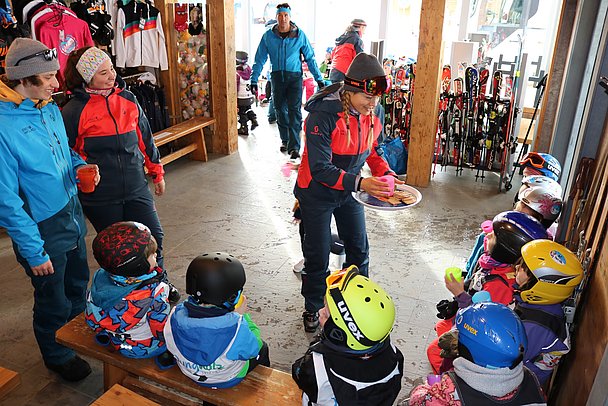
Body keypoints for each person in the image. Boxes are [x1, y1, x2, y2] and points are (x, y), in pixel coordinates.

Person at [0, 38, 99, 381]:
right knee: (52, 300)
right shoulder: (3, 126)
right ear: (23, 79)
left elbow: (66, 152)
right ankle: (57, 355)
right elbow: (6, 201)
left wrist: (80, 166)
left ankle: (74, 338)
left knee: (77, 286)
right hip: (40, 231)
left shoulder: (49, 107)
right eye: (47, 78)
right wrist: (33, 251)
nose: (57, 84)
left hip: (71, 216)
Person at [61, 46, 179, 303]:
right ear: (87, 77)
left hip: (136, 185)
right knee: (118, 250)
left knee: (153, 237)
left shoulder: (128, 98)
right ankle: (125, 297)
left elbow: (145, 139)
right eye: (103, 73)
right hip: (101, 196)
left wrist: (157, 173)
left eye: (111, 69)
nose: (111, 75)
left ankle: (158, 284)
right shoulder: (73, 110)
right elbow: (66, 153)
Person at [294, 53, 397, 332]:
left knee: (359, 247)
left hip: (349, 189)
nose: (373, 104)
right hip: (316, 191)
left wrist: (384, 172)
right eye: (367, 97)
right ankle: (313, 305)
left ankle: (355, 302)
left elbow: (372, 149)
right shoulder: (323, 115)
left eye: (377, 99)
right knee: (318, 252)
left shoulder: (371, 112)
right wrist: (362, 183)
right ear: (349, 90)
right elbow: (320, 168)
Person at [429, 211, 548, 373]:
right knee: (442, 325)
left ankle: (448, 380)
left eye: (492, 236)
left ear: (506, 248)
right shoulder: (494, 265)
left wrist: (459, 294)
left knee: (434, 351)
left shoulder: (500, 285)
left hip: (478, 337)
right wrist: (456, 302)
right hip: (472, 313)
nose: (486, 237)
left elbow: (482, 321)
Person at [292, 266, 404, 405]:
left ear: (339, 334)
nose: (320, 311)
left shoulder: (317, 365)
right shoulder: (394, 356)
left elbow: (298, 374)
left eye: (326, 314)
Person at [159, 252, 270, 388]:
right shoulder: (236, 327)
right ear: (233, 298)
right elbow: (253, 349)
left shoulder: (174, 315)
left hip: (189, 372)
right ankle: (263, 385)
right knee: (263, 347)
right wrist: (242, 317)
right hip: (226, 378)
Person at [410, 302, 547, 405]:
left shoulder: (449, 390)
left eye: (461, 338)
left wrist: (425, 387)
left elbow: (417, 401)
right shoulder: (531, 380)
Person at [250, 3, 325, 159]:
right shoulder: (268, 36)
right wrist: (254, 79)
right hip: (277, 78)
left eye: (286, 15)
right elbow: (259, 59)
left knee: (294, 112)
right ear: (276, 17)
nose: (283, 18)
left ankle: (294, 147)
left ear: (290, 17)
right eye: (280, 15)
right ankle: (285, 140)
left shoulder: (300, 35)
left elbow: (310, 58)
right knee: (279, 110)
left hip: (294, 78)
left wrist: (319, 78)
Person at [86, 221, 171, 358]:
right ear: (137, 265)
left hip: (113, 336)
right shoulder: (156, 291)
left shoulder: (100, 276)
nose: (156, 256)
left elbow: (91, 313)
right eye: (152, 254)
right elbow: (160, 328)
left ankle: (106, 336)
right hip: (141, 347)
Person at [514, 239, 583, 386]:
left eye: (522, 268)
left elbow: (509, 359)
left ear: (540, 286)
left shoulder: (537, 326)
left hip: (519, 384)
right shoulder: (542, 306)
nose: (516, 267)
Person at [329, 19, 366, 83]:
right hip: (343, 72)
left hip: (334, 71)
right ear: (361, 28)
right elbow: (360, 58)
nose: (364, 32)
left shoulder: (341, 38)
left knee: (335, 91)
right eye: (364, 29)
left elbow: (333, 54)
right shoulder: (357, 39)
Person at [236, 51, 259, 136]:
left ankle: (243, 128)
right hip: (249, 96)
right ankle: (253, 119)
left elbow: (236, 87)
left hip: (241, 97)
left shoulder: (237, 73)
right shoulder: (249, 69)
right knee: (248, 108)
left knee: (241, 112)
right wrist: (256, 94)